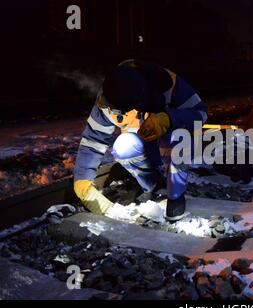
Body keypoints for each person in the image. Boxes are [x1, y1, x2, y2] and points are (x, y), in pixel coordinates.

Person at [73, 59, 208, 221]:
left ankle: (176, 196)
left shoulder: (169, 84)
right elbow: (92, 142)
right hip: (146, 148)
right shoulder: (111, 95)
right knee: (123, 146)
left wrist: (168, 119)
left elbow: (201, 114)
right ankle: (153, 186)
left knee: (176, 137)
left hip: (171, 146)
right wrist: (82, 180)